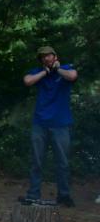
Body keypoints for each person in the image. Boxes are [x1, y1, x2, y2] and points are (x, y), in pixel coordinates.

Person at [21, 45, 78, 207]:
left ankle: (64, 196)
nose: (46, 58)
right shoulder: (38, 72)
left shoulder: (66, 69)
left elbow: (72, 76)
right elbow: (27, 81)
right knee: (37, 161)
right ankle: (33, 195)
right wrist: (45, 72)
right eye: (43, 56)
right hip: (40, 124)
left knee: (63, 162)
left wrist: (57, 70)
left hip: (60, 124)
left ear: (55, 56)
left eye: (48, 55)